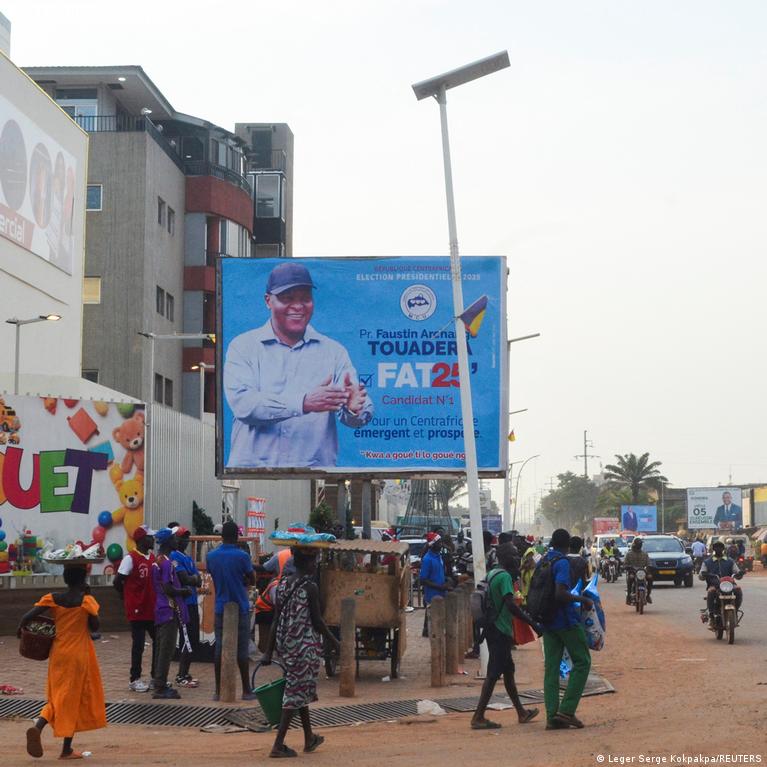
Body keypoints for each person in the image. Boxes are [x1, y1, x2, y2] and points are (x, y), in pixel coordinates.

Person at [223, 261, 373, 469]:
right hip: (252, 473)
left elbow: (358, 412)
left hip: (313, 475)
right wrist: (303, 403)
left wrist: (354, 409)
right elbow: (244, 405)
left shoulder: (334, 352)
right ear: (268, 301)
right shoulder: (243, 347)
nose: (298, 306)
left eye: (305, 298)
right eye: (287, 298)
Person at [18, 565, 106, 759]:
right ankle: (66, 749)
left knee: (57, 696)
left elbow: (26, 617)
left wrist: (20, 632)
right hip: (79, 656)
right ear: (83, 580)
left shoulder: (53, 598)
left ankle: (39, 726)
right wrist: (88, 596)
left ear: (65, 579)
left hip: (58, 654)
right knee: (72, 700)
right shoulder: (86, 601)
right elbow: (95, 626)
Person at [262, 547, 340, 758]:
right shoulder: (310, 587)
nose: (316, 565)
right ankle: (278, 745)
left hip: (286, 646)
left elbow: (275, 619)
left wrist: (268, 651)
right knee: (294, 694)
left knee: (298, 688)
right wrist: (335, 642)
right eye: (314, 561)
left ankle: (309, 737)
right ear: (307, 563)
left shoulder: (282, 585)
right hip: (304, 647)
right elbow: (318, 622)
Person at [470, 543, 541, 730]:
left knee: (508, 670)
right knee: (493, 674)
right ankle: (478, 716)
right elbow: (510, 605)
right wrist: (532, 624)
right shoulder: (504, 577)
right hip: (500, 630)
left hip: (494, 628)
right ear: (506, 557)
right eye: (514, 555)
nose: (517, 558)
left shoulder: (493, 573)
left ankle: (521, 712)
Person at [540, 528, 593, 730]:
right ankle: (567, 710)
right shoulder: (562, 563)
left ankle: (552, 716)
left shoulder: (544, 560)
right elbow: (560, 594)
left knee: (551, 669)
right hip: (564, 620)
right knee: (582, 661)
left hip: (547, 621)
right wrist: (583, 600)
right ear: (568, 544)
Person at [206, 521, 257, 701]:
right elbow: (252, 578)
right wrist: (245, 580)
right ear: (237, 537)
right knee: (242, 650)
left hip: (221, 606)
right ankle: (246, 690)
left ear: (221, 537)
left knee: (220, 648)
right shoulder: (243, 556)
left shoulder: (211, 556)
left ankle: (218, 691)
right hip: (240, 606)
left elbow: (213, 574)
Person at [113, 524, 157, 692]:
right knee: (138, 644)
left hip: (151, 607)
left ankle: (155, 676)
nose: (152, 539)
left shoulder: (152, 558)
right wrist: (126, 597)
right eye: (150, 537)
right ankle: (135, 679)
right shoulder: (131, 558)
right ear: (141, 539)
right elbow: (118, 581)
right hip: (137, 609)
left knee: (158, 641)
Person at [151, 528, 191, 699]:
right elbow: (168, 588)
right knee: (166, 650)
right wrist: (183, 591)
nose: (177, 541)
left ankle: (158, 682)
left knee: (161, 648)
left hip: (160, 608)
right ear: (168, 541)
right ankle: (160, 687)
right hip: (168, 608)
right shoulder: (166, 563)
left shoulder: (157, 560)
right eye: (174, 538)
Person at [169, 526, 201, 688]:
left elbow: (198, 580)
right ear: (176, 539)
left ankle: (185, 672)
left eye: (187, 537)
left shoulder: (187, 557)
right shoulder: (174, 556)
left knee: (193, 638)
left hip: (193, 602)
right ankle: (181, 675)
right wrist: (192, 578)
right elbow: (185, 579)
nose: (185, 540)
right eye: (182, 537)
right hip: (184, 603)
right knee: (186, 639)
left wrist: (193, 578)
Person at [254, 548, 294, 653]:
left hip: (266, 610)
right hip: (265, 612)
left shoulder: (281, 555)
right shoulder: (277, 586)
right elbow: (279, 606)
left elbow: (264, 568)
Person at [699, 540, 744, 623]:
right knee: (711, 591)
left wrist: (739, 574)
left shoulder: (730, 561)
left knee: (738, 589)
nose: (718, 549)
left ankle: (735, 610)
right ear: (713, 549)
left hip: (729, 585)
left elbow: (737, 572)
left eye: (720, 547)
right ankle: (711, 614)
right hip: (714, 585)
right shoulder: (707, 562)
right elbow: (701, 576)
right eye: (716, 547)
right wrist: (704, 574)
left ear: (723, 549)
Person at [419, 533, 450, 637]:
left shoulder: (439, 556)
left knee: (439, 624)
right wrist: (440, 587)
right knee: (433, 627)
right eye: (439, 543)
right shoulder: (427, 559)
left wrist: (446, 581)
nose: (441, 545)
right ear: (432, 545)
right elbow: (423, 580)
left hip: (441, 594)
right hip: (432, 596)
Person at [623, 538, 653, 605]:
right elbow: (625, 564)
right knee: (630, 578)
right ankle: (628, 597)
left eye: (640, 544)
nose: (640, 545)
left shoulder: (644, 554)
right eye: (638, 544)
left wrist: (649, 568)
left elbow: (649, 563)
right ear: (634, 544)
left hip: (642, 572)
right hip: (633, 572)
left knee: (650, 577)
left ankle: (648, 595)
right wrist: (628, 567)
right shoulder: (629, 554)